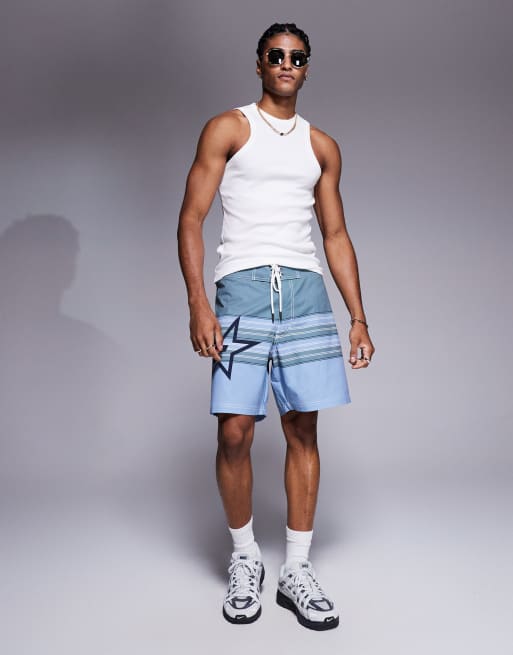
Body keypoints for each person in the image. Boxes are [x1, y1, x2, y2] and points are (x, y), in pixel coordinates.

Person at [177, 22, 375, 631]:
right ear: (260, 63)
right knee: (235, 430)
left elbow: (335, 234)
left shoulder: (322, 146)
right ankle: (245, 558)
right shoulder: (228, 128)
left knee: (302, 428)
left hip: (305, 292)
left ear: (307, 67)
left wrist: (358, 317)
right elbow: (190, 219)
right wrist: (198, 303)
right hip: (240, 290)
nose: (286, 64)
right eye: (276, 55)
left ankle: (296, 568)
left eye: (296, 56)